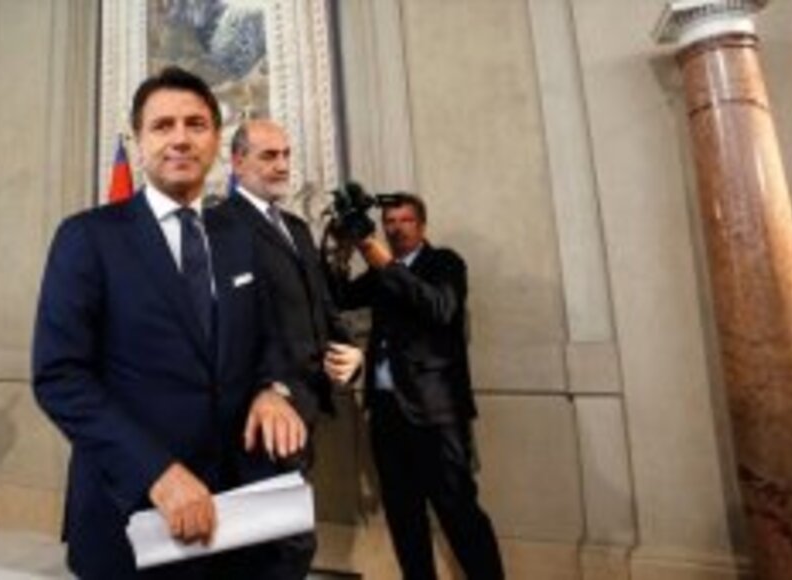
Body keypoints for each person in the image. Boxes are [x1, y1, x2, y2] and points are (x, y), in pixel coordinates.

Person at [32, 67, 307, 579]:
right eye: (162, 126)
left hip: (239, 513)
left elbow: (269, 336)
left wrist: (272, 389)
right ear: (140, 142)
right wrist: (154, 472)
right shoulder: (87, 237)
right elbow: (60, 377)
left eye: (195, 124)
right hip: (132, 511)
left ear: (216, 141)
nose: (180, 138)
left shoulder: (240, 235)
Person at [331, 193, 504, 580]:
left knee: (459, 512)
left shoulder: (444, 263)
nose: (396, 229)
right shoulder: (380, 273)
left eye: (405, 221)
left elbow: (440, 308)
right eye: (389, 222)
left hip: (436, 412)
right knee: (403, 516)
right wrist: (342, 252)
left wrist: (383, 263)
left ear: (422, 225)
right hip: (386, 412)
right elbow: (338, 299)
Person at [218, 119, 363, 577]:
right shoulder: (217, 226)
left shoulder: (297, 228)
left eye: (285, 155)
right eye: (268, 156)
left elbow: (324, 306)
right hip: (258, 414)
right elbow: (223, 326)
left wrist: (351, 354)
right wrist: (262, 388)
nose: (282, 165)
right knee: (286, 548)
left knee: (282, 546)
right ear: (237, 162)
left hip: (308, 406)